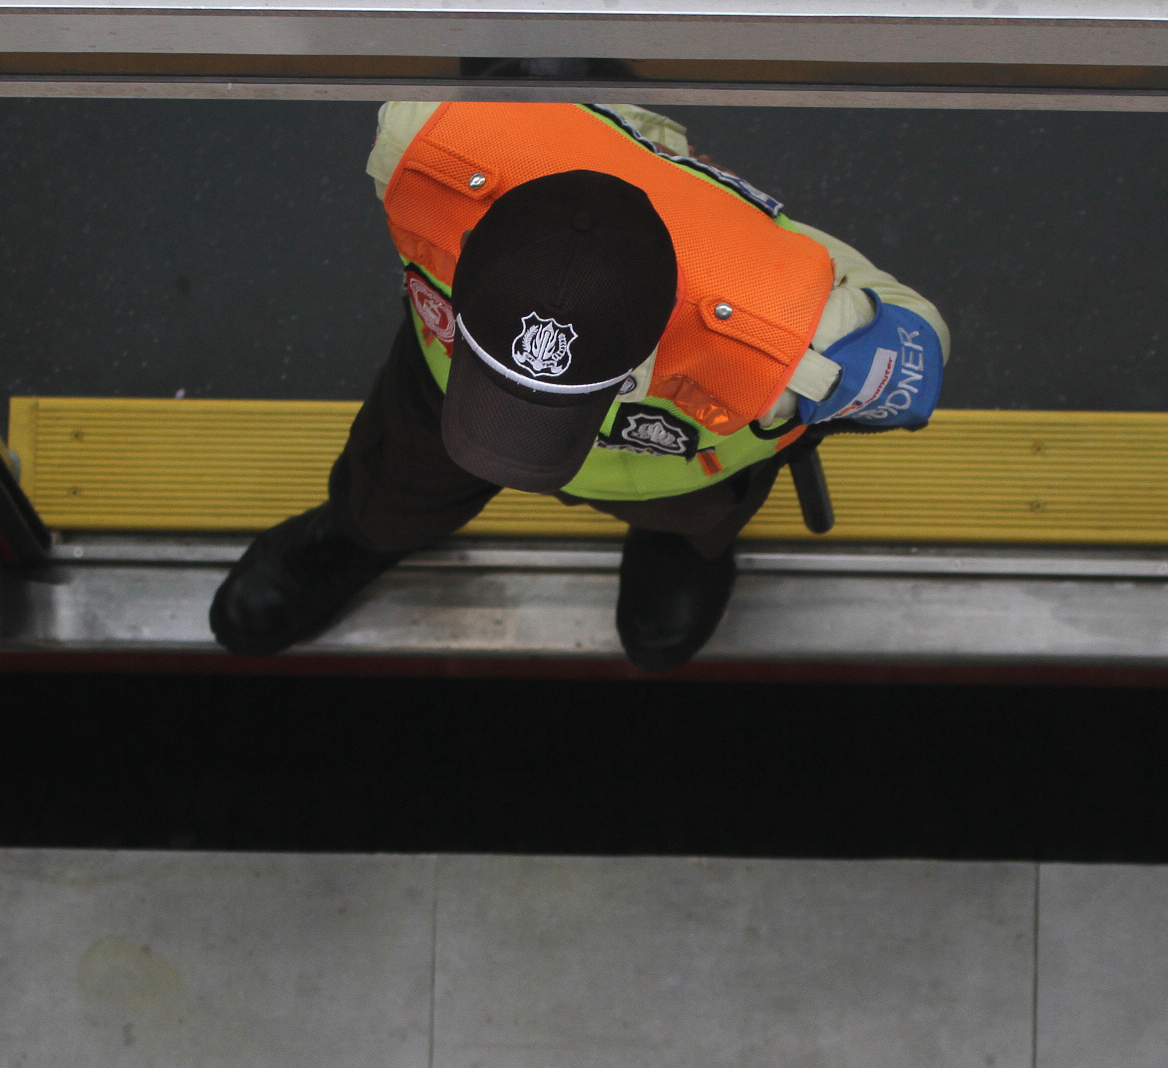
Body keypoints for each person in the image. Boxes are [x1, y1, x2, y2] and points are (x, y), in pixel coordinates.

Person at [209, 100, 949, 670]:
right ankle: (362, 533)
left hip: (678, 473)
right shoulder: (425, 144)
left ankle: (683, 547)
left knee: (694, 514)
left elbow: (912, 348)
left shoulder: (794, 338)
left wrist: (820, 367)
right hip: (440, 385)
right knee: (393, 480)